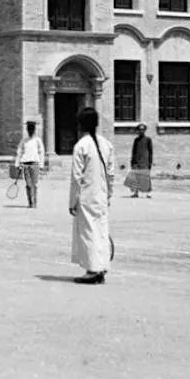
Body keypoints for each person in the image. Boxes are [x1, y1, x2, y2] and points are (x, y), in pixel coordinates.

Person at [69, 107, 115, 285]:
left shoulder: (81, 146)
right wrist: (109, 194)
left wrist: (72, 201)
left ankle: (92, 270)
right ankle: (101, 267)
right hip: (101, 195)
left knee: (89, 233)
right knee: (101, 232)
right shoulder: (106, 144)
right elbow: (110, 173)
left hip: (87, 197)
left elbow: (76, 177)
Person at [13, 120, 45, 208]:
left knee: (34, 184)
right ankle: (30, 201)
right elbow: (19, 152)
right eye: (29, 129)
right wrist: (18, 164)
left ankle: (34, 201)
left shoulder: (37, 140)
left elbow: (41, 152)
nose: (30, 131)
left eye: (32, 129)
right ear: (27, 130)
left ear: (34, 130)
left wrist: (41, 164)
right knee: (28, 184)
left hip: (35, 164)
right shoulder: (24, 141)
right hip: (26, 164)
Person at [124, 124, 153, 198]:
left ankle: (149, 192)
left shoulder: (148, 140)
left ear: (145, 130)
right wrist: (132, 161)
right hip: (136, 161)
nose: (141, 131)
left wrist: (150, 162)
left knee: (146, 177)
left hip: (145, 161)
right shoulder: (136, 140)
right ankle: (136, 192)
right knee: (135, 177)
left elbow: (150, 152)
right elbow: (134, 151)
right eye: (140, 129)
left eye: (142, 129)